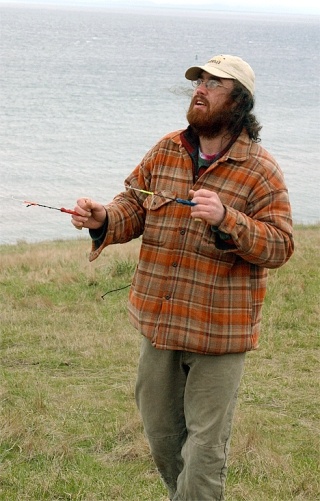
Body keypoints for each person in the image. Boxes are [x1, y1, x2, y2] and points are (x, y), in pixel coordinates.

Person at [71, 54, 294, 501]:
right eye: (200, 81)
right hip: (160, 321)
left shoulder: (260, 170)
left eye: (215, 84)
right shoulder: (167, 149)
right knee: (161, 434)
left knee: (206, 446)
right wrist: (102, 219)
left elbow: (280, 244)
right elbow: (132, 205)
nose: (201, 89)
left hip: (219, 332)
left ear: (240, 102)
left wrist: (228, 218)